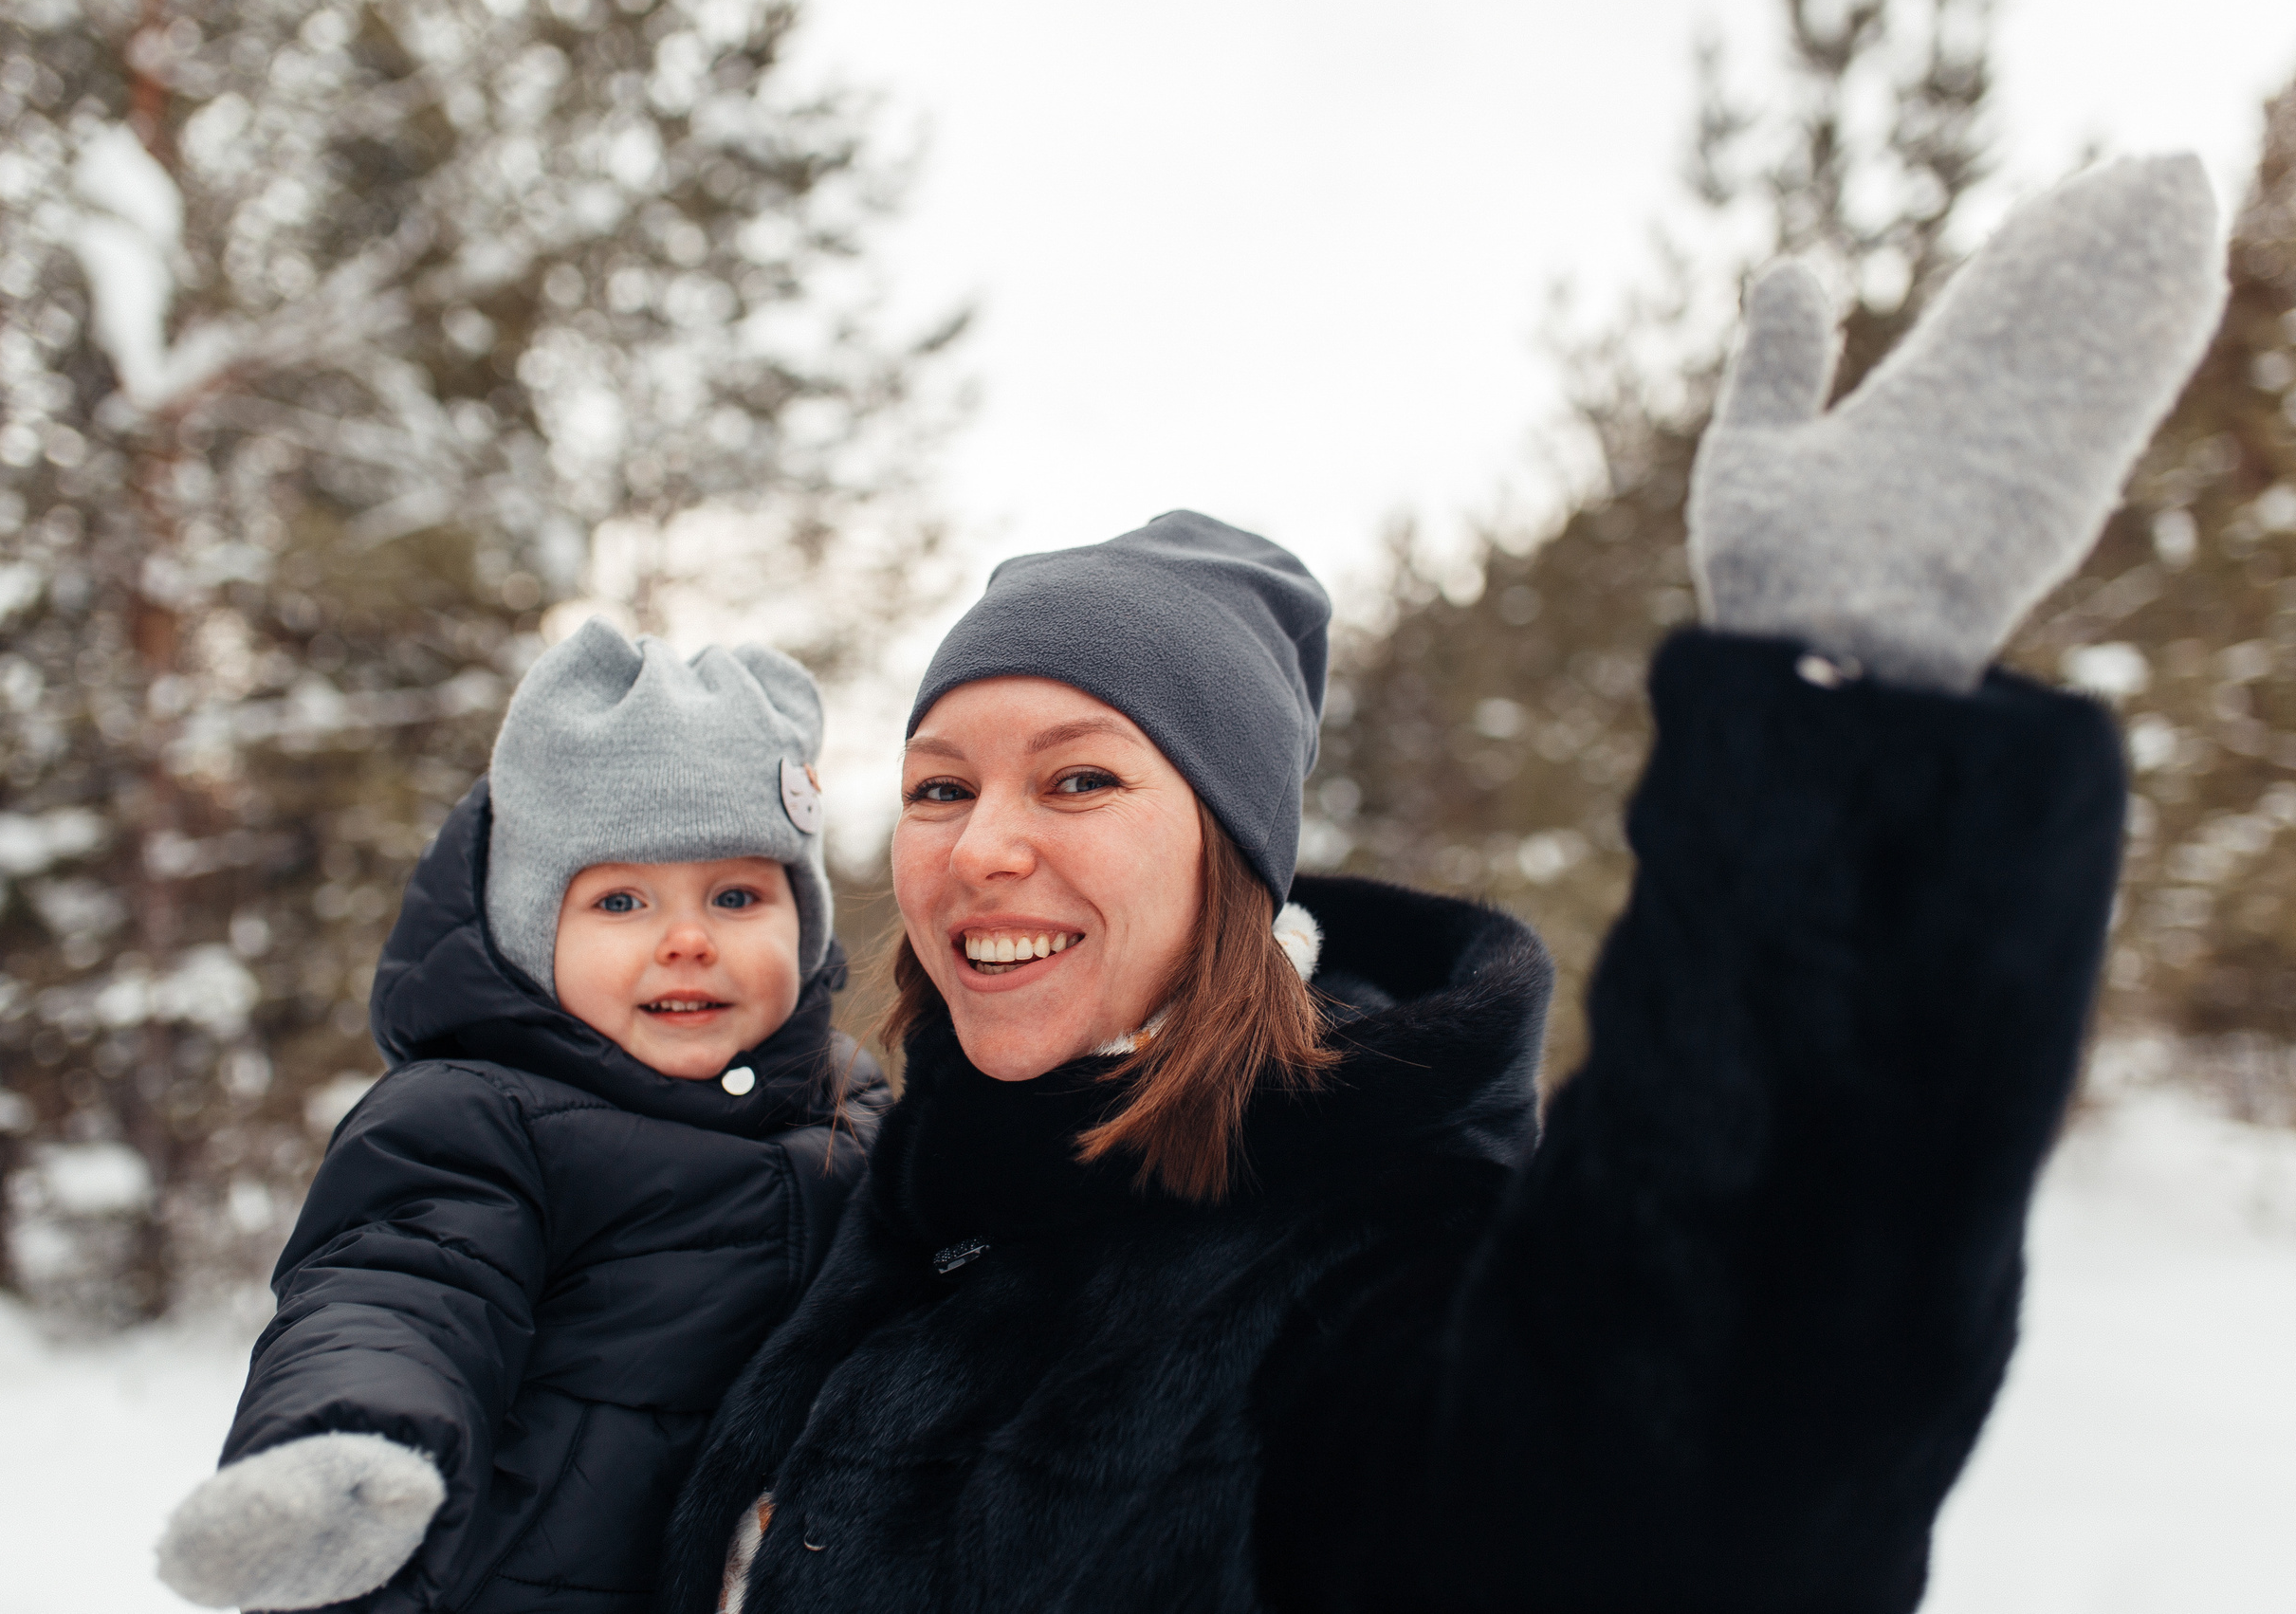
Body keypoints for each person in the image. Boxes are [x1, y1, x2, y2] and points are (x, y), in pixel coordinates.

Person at [658, 156, 2226, 1613]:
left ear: (1234, 863)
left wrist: (1832, 745)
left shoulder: (1362, 1260)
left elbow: (1687, 1489)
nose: (983, 843)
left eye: (1080, 777)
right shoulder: (889, 1195)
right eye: (940, 784)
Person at [154, 621, 888, 1614]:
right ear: (531, 932)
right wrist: (352, 1448)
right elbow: (402, 1291)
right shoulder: (475, 1117)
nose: (685, 940)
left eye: (735, 895)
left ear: (803, 922)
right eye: (621, 901)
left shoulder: (859, 1107)